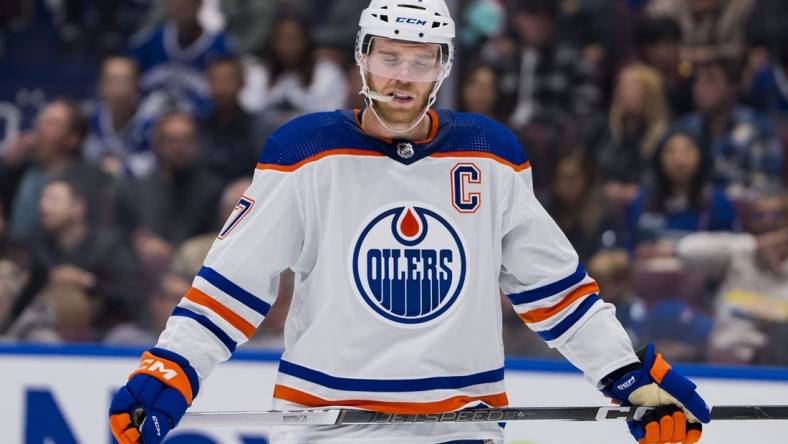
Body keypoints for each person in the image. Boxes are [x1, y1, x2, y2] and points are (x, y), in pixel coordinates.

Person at [108, 2, 711, 444]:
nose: (401, 77)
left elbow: (556, 293)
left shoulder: (490, 153)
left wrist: (627, 375)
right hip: (327, 427)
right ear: (362, 59)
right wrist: (175, 366)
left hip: (461, 426)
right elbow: (230, 287)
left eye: (419, 62)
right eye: (389, 57)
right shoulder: (305, 151)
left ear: (442, 68)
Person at [676, 57, 783, 195]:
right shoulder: (685, 127)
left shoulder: (757, 128)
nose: (699, 88)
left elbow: (767, 188)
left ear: (732, 88)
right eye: (697, 80)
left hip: (741, 213)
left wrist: (717, 200)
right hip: (691, 212)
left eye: (710, 81)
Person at [622, 128, 738, 253]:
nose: (679, 160)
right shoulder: (641, 202)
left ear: (701, 156)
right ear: (659, 158)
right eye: (670, 151)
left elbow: (729, 249)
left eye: (687, 150)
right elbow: (626, 245)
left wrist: (675, 252)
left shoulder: (718, 203)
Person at [129, 0, 236, 116]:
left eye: (188, 3)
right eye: (178, 3)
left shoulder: (222, 48)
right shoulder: (147, 42)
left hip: (203, 130)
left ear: (199, 4)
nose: (182, 8)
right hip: (147, 128)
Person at [84, 56, 157, 179]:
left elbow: (153, 164)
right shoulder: (91, 120)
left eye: (124, 81)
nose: (119, 88)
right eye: (112, 81)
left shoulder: (151, 122)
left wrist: (123, 169)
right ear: (101, 86)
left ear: (137, 85)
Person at [199, 57, 267, 184]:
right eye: (215, 80)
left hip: (242, 194)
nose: (221, 87)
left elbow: (263, 174)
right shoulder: (198, 126)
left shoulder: (257, 127)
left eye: (227, 80)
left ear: (241, 83)